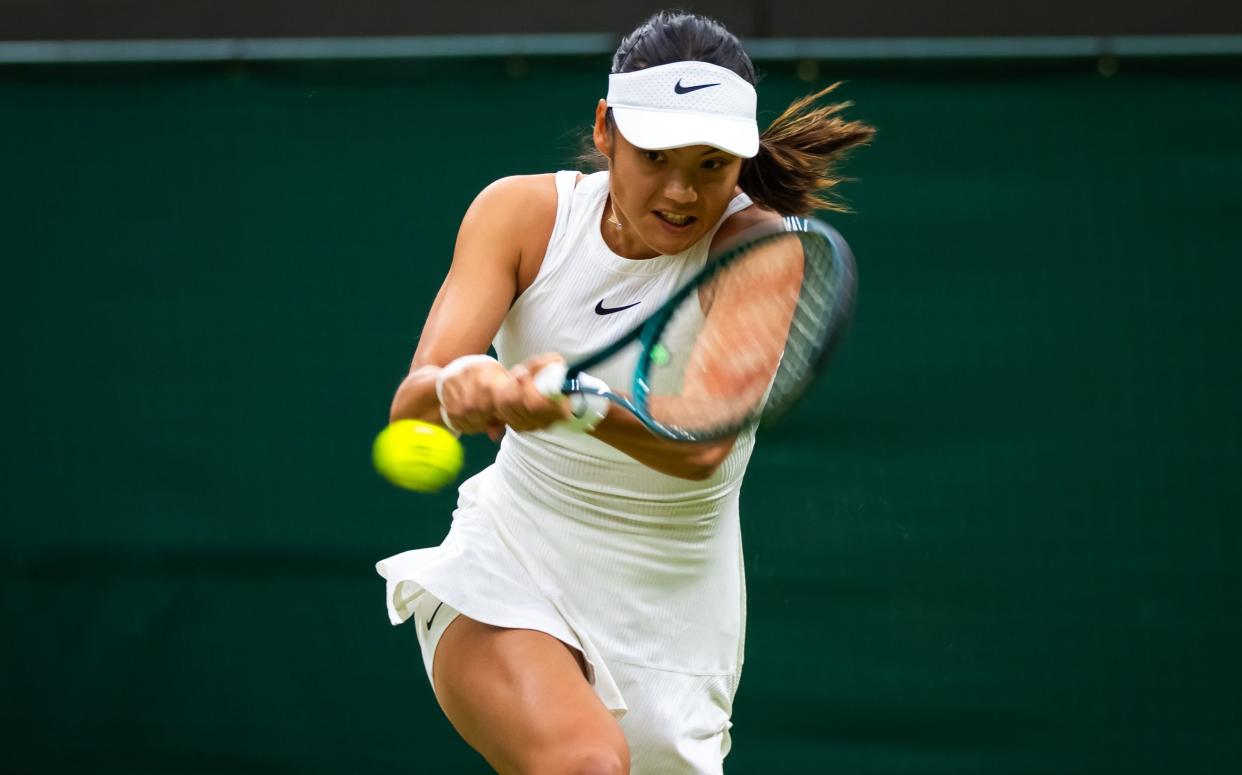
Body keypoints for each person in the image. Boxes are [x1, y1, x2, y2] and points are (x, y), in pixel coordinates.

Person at [376, 10, 874, 775]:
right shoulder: (519, 214)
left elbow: (703, 442)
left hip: (672, 627)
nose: (681, 191)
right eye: (655, 156)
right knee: (585, 765)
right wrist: (457, 384)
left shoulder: (761, 249)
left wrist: (573, 403)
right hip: (511, 565)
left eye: (711, 165)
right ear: (606, 129)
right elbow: (413, 399)